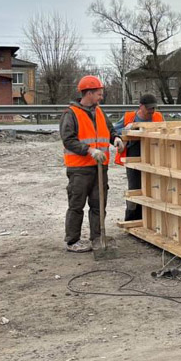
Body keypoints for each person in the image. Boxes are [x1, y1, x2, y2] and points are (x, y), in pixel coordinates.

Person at [60, 75, 123, 253]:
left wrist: (116, 139)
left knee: (98, 205)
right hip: (80, 168)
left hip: (100, 167)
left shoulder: (99, 111)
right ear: (88, 93)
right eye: (99, 94)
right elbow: (68, 139)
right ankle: (72, 241)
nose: (101, 97)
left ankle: (97, 238)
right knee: (76, 205)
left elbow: (109, 130)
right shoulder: (71, 113)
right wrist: (89, 150)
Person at [112, 94, 164, 221]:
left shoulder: (158, 117)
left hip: (153, 155)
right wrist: (126, 129)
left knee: (152, 188)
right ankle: (132, 219)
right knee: (135, 188)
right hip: (133, 154)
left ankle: (149, 219)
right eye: (149, 108)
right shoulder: (129, 117)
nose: (152, 111)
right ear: (141, 106)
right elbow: (113, 132)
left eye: (153, 108)